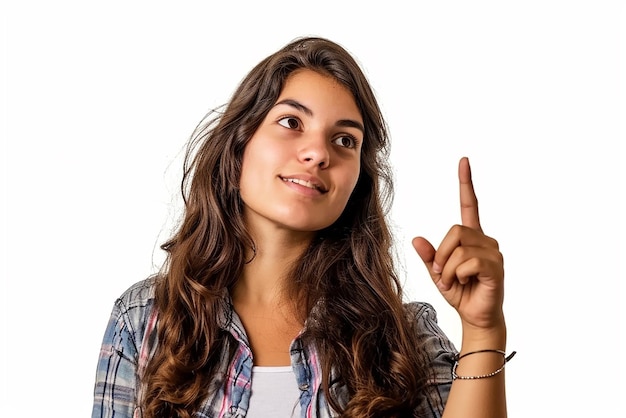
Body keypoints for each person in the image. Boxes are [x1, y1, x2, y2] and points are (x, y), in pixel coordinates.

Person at [91, 36, 513, 418]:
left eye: (344, 140)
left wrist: (482, 330)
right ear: (239, 146)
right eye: (292, 122)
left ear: (355, 184)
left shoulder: (404, 342)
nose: (317, 153)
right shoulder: (145, 320)